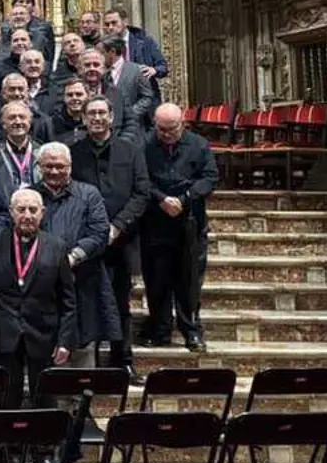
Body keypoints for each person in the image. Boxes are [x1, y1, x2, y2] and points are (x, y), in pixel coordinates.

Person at [70, 96, 150, 380]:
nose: (97, 118)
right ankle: (85, 364)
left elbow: (141, 193)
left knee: (120, 303)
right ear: (84, 118)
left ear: (112, 117)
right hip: (85, 242)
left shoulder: (131, 150)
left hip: (121, 240)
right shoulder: (74, 152)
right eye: (91, 113)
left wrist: (117, 225)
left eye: (102, 113)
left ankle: (122, 359)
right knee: (85, 301)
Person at [0, 188, 77, 408]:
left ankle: (44, 432)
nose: (27, 215)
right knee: (5, 400)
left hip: (43, 332)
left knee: (45, 400)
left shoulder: (57, 246)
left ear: (42, 212)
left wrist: (65, 340)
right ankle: (6, 431)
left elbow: (68, 299)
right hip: (4, 333)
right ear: (11, 212)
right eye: (21, 209)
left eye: (33, 210)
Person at [32, 142, 118, 370]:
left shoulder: (89, 194)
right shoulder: (30, 196)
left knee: (83, 351)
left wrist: (71, 258)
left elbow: (100, 232)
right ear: (39, 167)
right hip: (42, 286)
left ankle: (83, 392)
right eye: (48, 166)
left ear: (70, 166)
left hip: (82, 280)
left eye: (60, 166)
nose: (54, 171)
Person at [141, 103, 217, 353]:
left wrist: (184, 198)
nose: (166, 134)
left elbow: (209, 178)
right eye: (161, 129)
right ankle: (159, 328)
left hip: (189, 220)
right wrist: (161, 198)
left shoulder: (199, 145)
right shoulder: (144, 144)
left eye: (171, 129)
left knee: (189, 279)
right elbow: (140, 178)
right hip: (156, 219)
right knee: (157, 278)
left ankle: (191, 329)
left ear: (182, 124)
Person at [0, 101, 42, 205]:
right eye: (12, 118)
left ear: (30, 122)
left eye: (22, 117)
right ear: (3, 124)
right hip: (2, 210)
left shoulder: (42, 152)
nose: (18, 121)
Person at [102, 8, 168, 99]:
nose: (110, 27)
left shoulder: (144, 41)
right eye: (107, 24)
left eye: (114, 23)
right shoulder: (102, 46)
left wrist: (154, 70)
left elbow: (163, 67)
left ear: (125, 22)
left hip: (144, 96)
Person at [98, 35, 157, 135]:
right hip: (108, 130)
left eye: (101, 53)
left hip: (132, 129)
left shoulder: (136, 70)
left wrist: (130, 113)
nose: (99, 57)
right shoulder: (102, 73)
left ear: (112, 52)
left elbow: (147, 97)